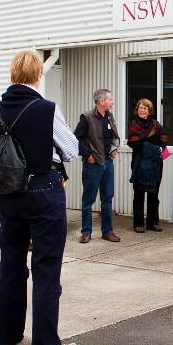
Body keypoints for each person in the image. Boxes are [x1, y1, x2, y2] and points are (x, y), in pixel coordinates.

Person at [0, 50, 80, 345]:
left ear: (14, 73)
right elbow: (71, 149)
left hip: (8, 191)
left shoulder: (1, 108)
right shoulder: (46, 108)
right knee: (46, 268)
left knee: (11, 264)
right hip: (43, 189)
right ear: (38, 76)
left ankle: (7, 338)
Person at [74, 89, 121, 243]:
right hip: (93, 165)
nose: (112, 102)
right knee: (88, 199)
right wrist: (88, 155)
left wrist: (114, 149)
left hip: (108, 163)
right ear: (101, 102)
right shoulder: (87, 117)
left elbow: (113, 136)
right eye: (110, 99)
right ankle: (86, 232)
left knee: (107, 198)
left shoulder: (110, 117)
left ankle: (107, 232)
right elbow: (77, 138)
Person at [127, 99, 168, 233]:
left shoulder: (155, 124)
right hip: (139, 163)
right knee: (139, 194)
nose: (142, 110)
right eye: (140, 107)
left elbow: (163, 137)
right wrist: (152, 146)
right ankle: (138, 224)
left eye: (145, 108)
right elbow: (134, 143)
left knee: (154, 193)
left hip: (155, 164)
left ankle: (153, 223)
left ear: (149, 111)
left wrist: (153, 146)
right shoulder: (133, 124)